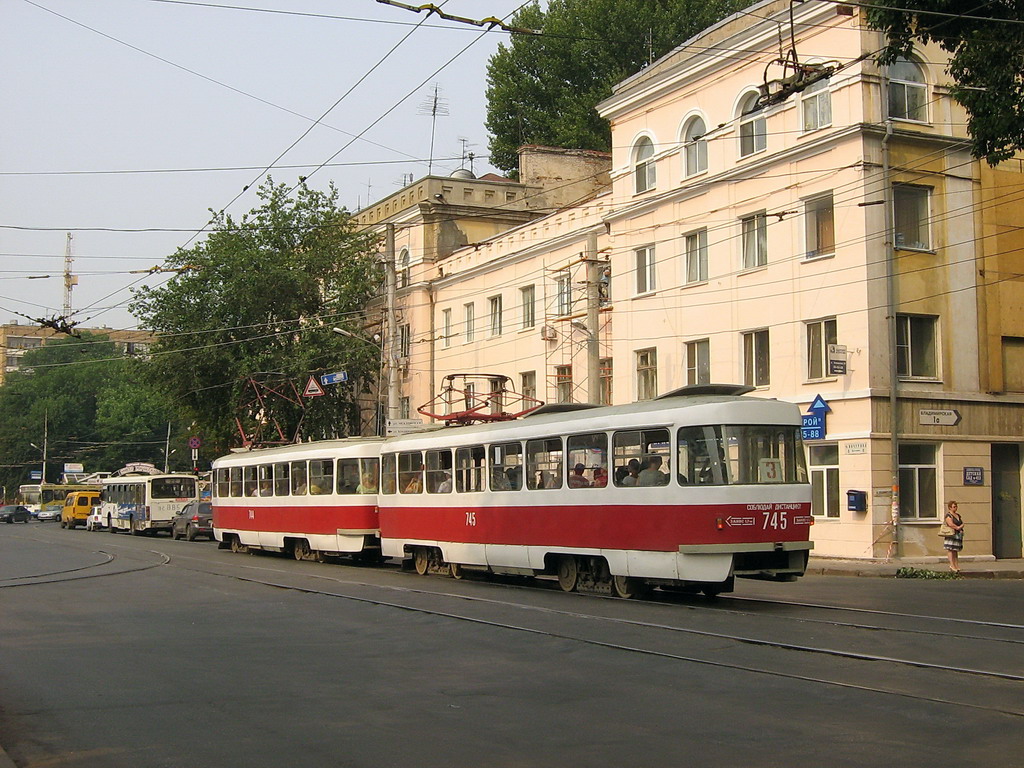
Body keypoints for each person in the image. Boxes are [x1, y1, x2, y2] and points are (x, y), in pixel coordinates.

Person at [943, 500, 965, 573]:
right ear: (950, 508)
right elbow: (950, 524)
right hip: (951, 535)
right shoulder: (948, 515)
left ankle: (956, 565)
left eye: (956, 506)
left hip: (958, 535)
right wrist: (958, 527)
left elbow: (961, 523)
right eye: (954, 507)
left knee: (955, 550)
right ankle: (952, 565)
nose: (955, 508)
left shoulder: (958, 515)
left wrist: (961, 527)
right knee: (950, 549)